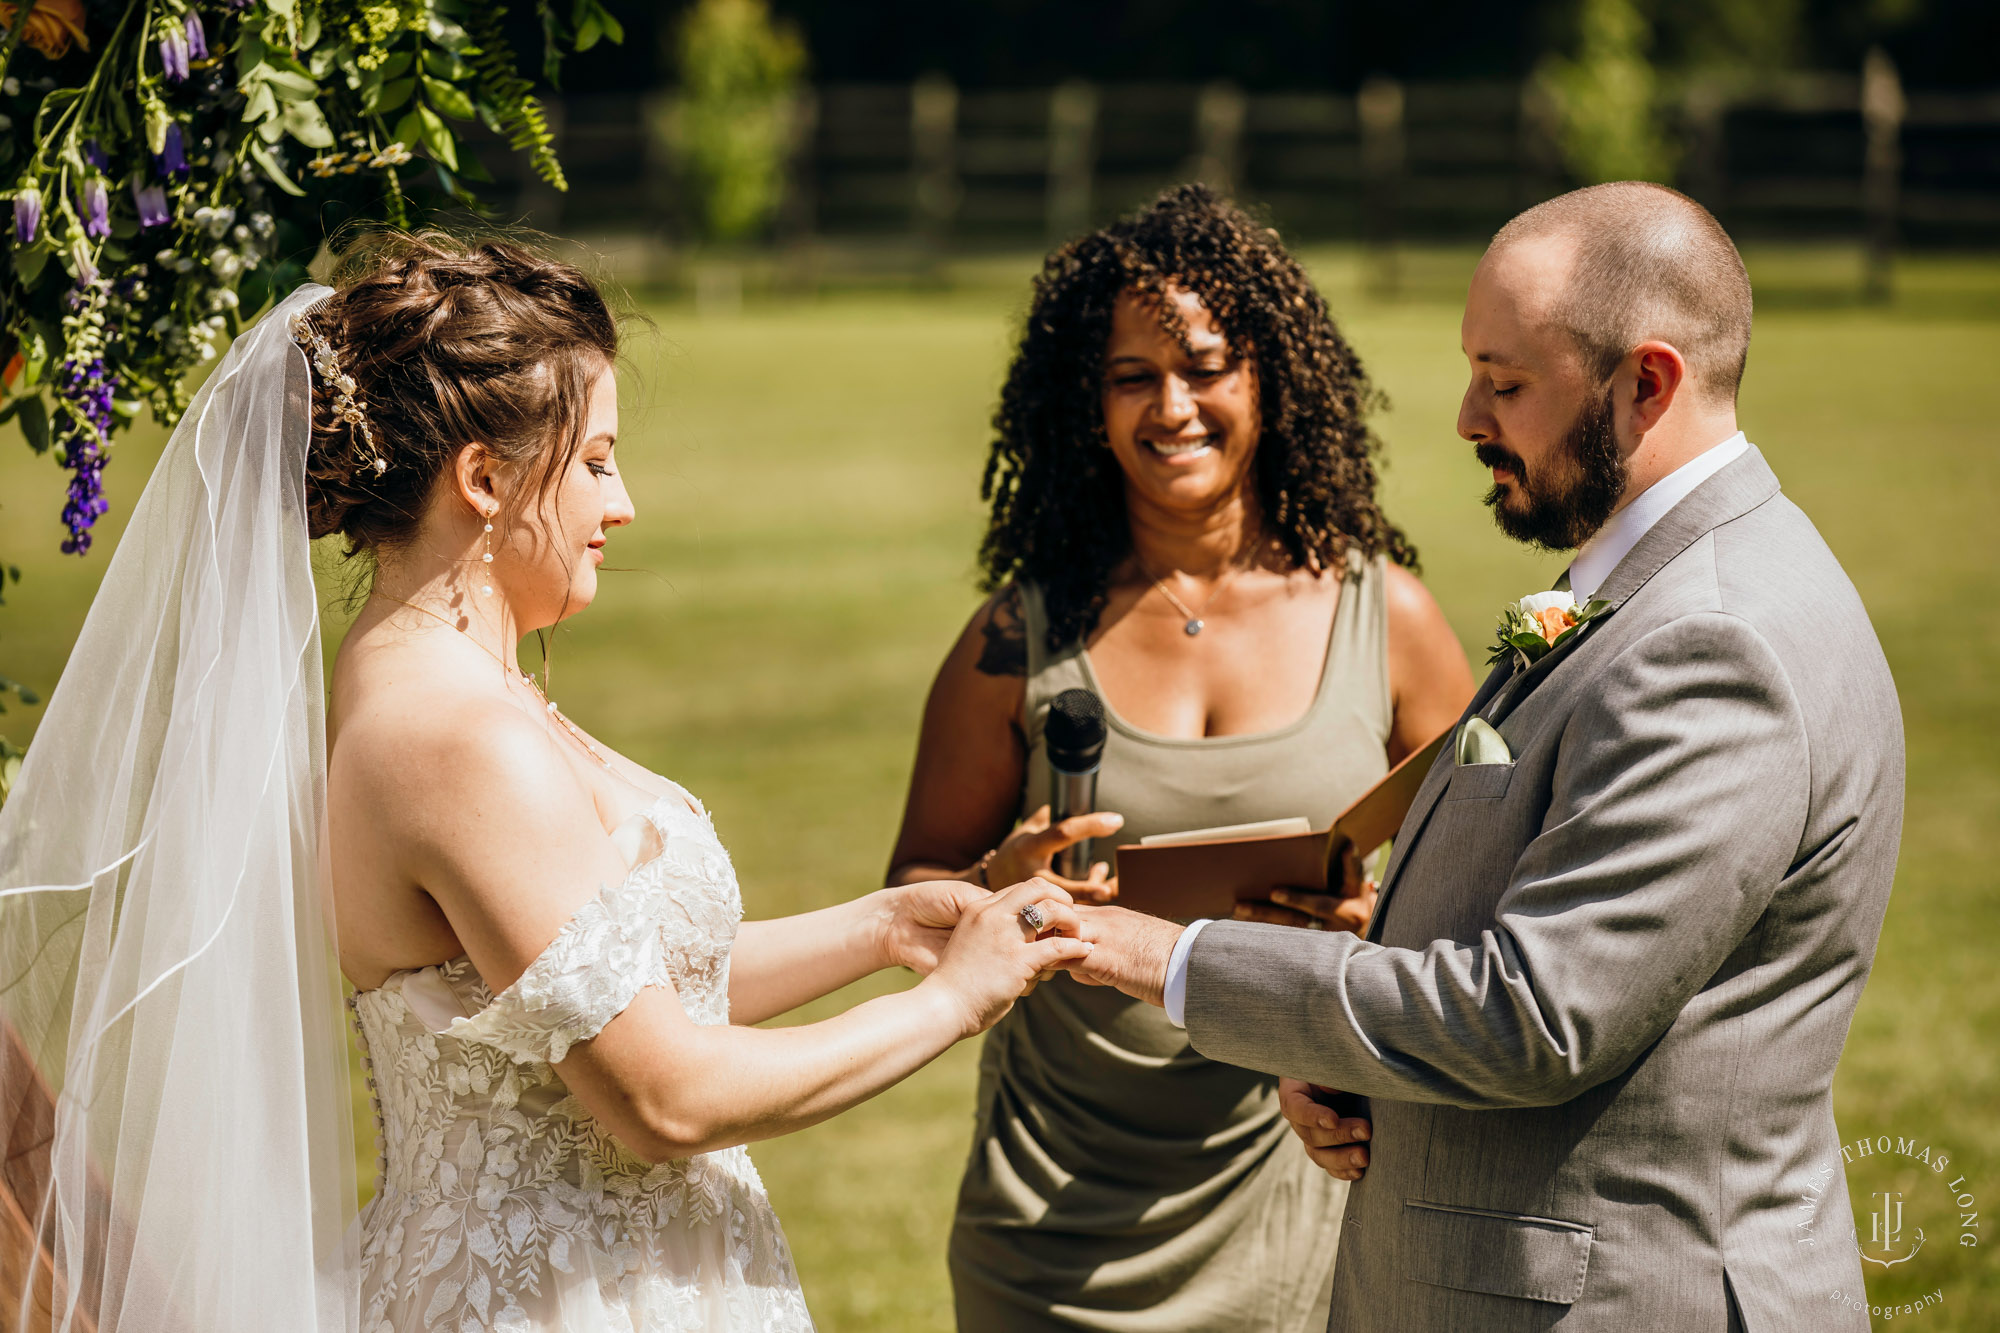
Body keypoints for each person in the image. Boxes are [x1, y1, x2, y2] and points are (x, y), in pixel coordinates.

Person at [0, 233, 1091, 1333]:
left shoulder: (464, 694)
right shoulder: (450, 739)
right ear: (483, 479)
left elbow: (618, 985)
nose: (622, 507)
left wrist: (888, 925)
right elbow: (663, 1094)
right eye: (596, 462)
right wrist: (954, 1001)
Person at [1063, 182, 1904, 1332]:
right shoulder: (1613, 583)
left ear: (1644, 383)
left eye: (1504, 383)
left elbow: (1532, 1015)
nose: (1464, 416)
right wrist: (1351, 1053)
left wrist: (1174, 960)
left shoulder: (1712, 642)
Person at [885, 186, 1475, 1332]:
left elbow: (1488, 871)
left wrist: (1377, 931)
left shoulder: (1384, 613)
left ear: (1266, 377)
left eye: (1205, 367)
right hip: (1051, 1224)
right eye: (1130, 376)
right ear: (1086, 403)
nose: (1171, 406)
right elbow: (910, 889)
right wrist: (997, 889)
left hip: (1300, 1187)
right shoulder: (1017, 636)